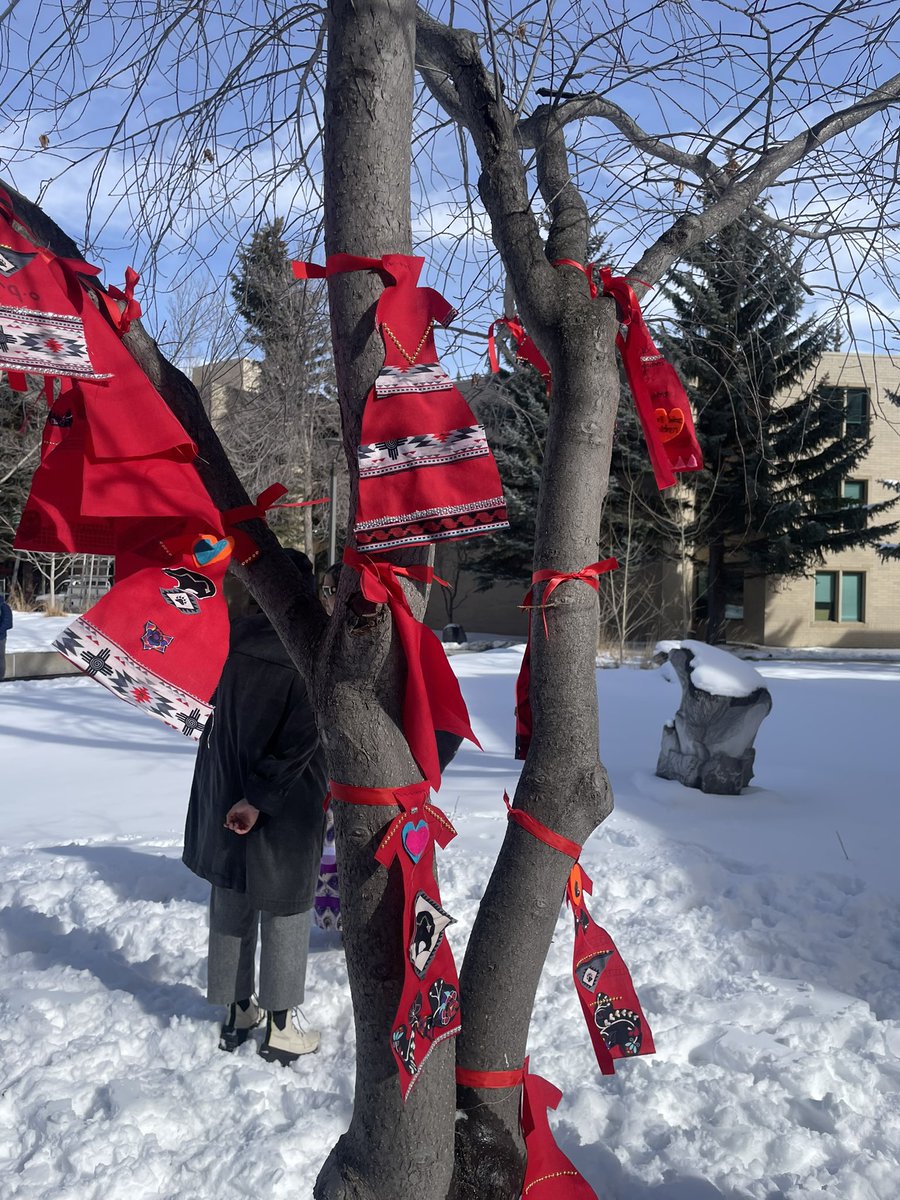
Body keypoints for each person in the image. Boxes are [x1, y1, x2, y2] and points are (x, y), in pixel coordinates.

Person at [183, 550, 327, 1064]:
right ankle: (282, 1025)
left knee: (233, 896)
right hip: (284, 802)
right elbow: (301, 741)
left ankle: (238, 1011)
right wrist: (259, 799)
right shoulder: (310, 653)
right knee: (285, 905)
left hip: (222, 791)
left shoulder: (230, 637)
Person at [0, 596, 12, 682]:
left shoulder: (4, 607)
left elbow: (8, 623)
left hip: (0, 637)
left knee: (0, 657)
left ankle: (0, 677)